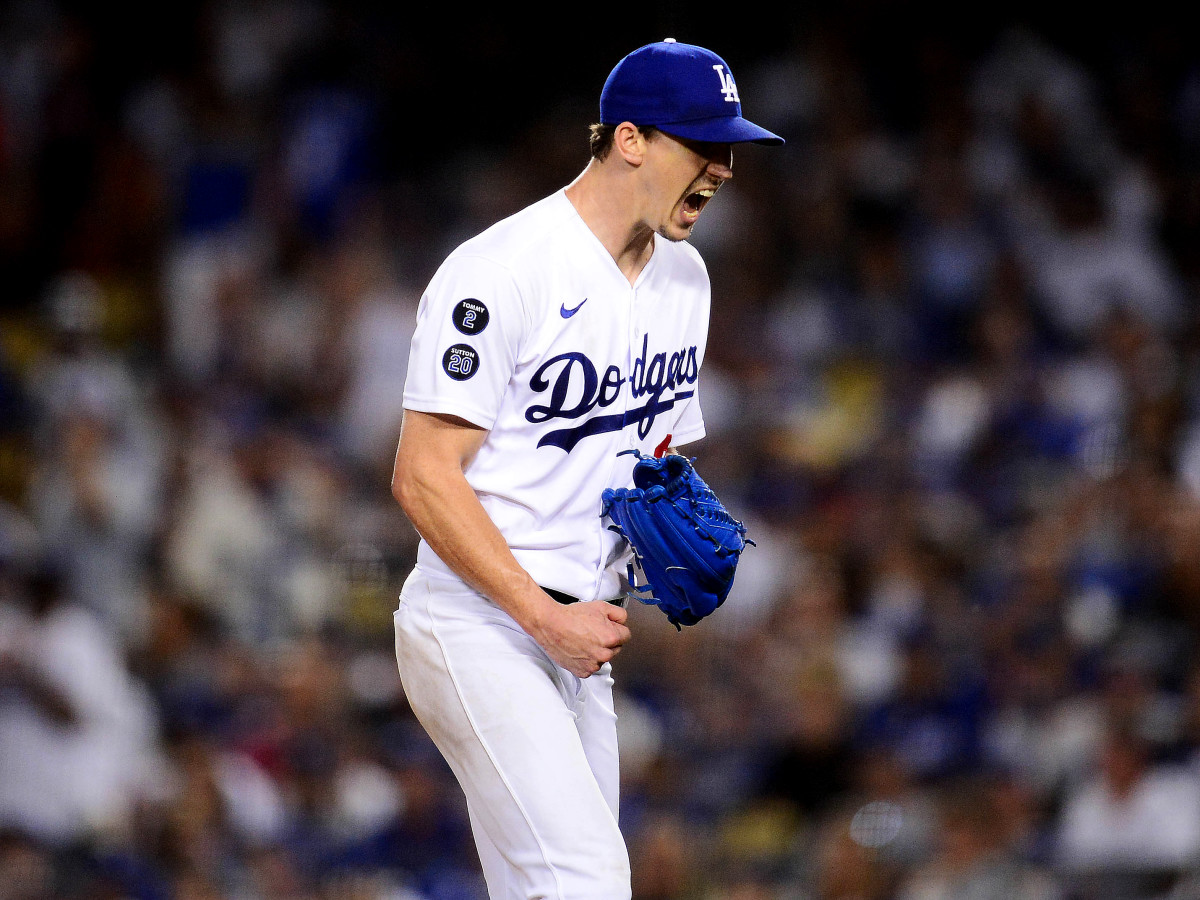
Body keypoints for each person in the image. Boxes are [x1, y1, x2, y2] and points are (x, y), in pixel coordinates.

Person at [390, 38, 782, 899]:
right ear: (630, 139)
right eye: (703, 145)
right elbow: (422, 476)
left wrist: (657, 533)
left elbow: (655, 453)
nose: (722, 168)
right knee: (584, 879)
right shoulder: (501, 271)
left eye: (731, 149)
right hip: (481, 619)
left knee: (562, 885)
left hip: (580, 635)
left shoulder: (687, 278)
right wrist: (539, 614)